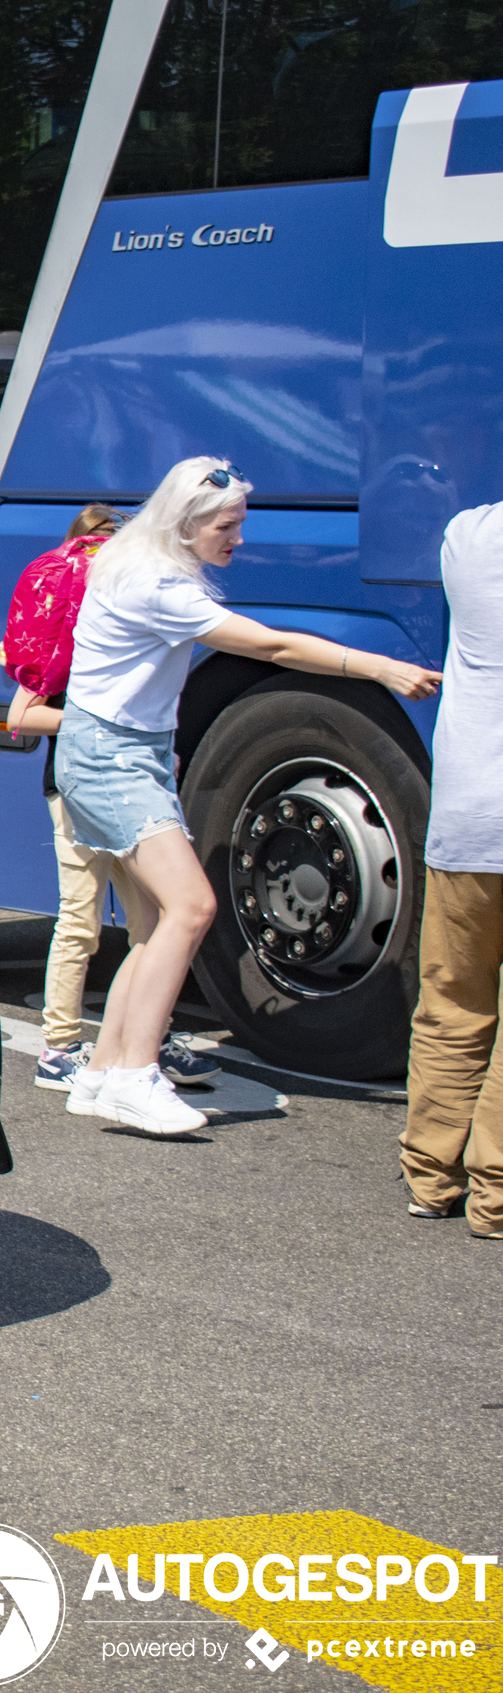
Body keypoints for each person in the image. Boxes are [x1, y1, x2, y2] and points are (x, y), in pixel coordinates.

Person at [58, 457, 440, 1135]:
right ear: (187, 523)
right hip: (112, 756)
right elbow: (272, 645)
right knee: (194, 905)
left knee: (152, 922)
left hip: (118, 751)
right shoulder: (159, 586)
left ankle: (101, 1072)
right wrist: (376, 665)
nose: (238, 539)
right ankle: (134, 1075)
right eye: (227, 526)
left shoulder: (132, 560)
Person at [2, 507, 217, 1094]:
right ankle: (60, 1047)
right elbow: (21, 714)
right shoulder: (63, 634)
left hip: (124, 787)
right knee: (83, 918)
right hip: (76, 789)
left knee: (151, 918)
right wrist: (103, 721)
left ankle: (149, 1036)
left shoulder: (123, 627)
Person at [402, 500, 503, 1234]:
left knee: (451, 1002)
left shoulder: (469, 536)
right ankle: (496, 1193)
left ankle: (431, 1175)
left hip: (466, 818)